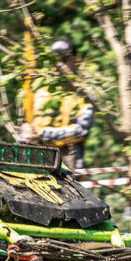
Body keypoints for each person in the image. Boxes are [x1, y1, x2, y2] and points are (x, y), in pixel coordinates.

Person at [18, 38, 95, 170]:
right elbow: (29, 124)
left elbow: (82, 130)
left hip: (69, 158)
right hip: (39, 157)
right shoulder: (40, 92)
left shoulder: (84, 94)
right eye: (55, 60)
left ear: (75, 60)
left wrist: (43, 134)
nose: (59, 64)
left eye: (65, 59)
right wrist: (26, 132)